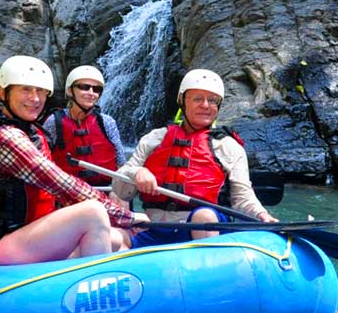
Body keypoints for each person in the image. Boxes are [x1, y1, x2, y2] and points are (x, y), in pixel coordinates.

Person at [0, 55, 149, 266]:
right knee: (93, 212)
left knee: (116, 239)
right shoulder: (6, 137)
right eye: (25, 89)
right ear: (3, 92)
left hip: (21, 233)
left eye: (40, 92)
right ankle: (95, 287)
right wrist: (126, 217)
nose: (35, 98)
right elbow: (61, 184)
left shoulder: (29, 130)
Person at [112, 68, 278, 247]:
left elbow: (243, 197)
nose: (206, 105)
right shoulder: (155, 139)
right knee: (113, 238)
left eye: (213, 100)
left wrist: (262, 215)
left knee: (203, 216)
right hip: (156, 229)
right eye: (198, 99)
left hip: (204, 226)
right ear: (182, 101)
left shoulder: (228, 146)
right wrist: (137, 172)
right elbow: (120, 188)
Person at [43, 65, 125, 186]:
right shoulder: (54, 122)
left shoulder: (107, 122)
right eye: (84, 87)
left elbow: (121, 163)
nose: (91, 93)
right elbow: (42, 164)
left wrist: (119, 192)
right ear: (70, 90)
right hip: (68, 193)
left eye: (96, 89)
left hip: (105, 190)